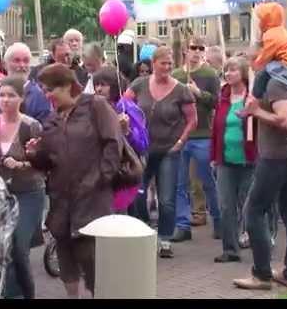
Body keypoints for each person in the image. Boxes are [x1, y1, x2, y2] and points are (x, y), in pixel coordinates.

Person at [27, 63, 122, 299]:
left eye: (51, 90)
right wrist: (34, 154)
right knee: (66, 254)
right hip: (61, 199)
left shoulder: (95, 106)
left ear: (68, 86)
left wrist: (102, 179)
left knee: (91, 258)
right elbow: (47, 161)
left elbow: (113, 144)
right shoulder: (52, 119)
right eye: (44, 90)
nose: (48, 96)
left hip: (93, 197)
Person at [233, 58, 287, 291]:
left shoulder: (276, 83)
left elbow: (285, 120)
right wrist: (251, 112)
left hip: (278, 157)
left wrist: (257, 112)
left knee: (253, 211)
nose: (253, 60)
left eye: (257, 55)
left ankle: (262, 274)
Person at [125, 46, 197, 258]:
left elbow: (193, 120)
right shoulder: (139, 84)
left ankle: (165, 238)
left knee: (166, 199)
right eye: (163, 63)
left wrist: (181, 141)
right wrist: (127, 126)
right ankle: (143, 231)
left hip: (169, 150)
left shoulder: (181, 90)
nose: (166, 67)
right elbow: (123, 106)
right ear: (153, 63)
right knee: (138, 194)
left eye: (170, 64)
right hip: (143, 149)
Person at [0, 77, 45, 299]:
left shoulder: (31, 126)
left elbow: (44, 162)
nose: (6, 99)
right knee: (4, 248)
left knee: (18, 246)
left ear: (21, 98)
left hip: (29, 193)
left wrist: (22, 163)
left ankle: (22, 294)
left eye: (11, 95)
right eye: (2, 94)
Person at [172, 37, 221, 241]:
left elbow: (217, 102)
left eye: (201, 48)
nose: (197, 51)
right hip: (182, 136)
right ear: (186, 50)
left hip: (203, 135)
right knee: (180, 183)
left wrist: (199, 93)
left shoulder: (210, 74)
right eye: (193, 47)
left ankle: (219, 221)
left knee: (208, 181)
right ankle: (182, 225)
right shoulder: (176, 74)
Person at [210, 57, 256, 263]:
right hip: (225, 159)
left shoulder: (253, 96)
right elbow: (216, 129)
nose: (228, 74)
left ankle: (257, 242)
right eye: (226, 70)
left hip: (250, 159)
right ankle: (230, 249)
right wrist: (213, 156)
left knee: (249, 205)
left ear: (244, 73)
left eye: (233, 70)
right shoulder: (223, 97)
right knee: (226, 205)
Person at [0, 43, 51, 124]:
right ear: (5, 65)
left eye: (26, 61)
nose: (22, 65)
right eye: (17, 60)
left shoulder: (40, 96)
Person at [93, 66, 148, 157]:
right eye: (96, 85)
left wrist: (127, 132)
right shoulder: (93, 106)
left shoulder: (127, 108)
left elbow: (142, 145)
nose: (98, 89)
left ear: (114, 85)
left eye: (103, 85)